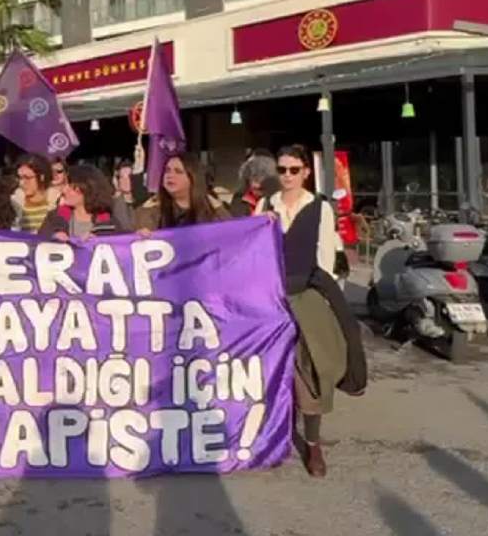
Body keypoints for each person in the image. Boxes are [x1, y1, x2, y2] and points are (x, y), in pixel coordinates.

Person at [255, 145, 365, 478]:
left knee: (313, 367)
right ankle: (275, 433)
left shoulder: (320, 207)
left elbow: (325, 259)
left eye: (293, 170)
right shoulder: (265, 205)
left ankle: (313, 443)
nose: (287, 176)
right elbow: (253, 252)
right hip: (271, 295)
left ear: (305, 172)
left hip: (306, 293)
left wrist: (326, 301)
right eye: (282, 169)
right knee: (272, 368)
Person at [135, 153, 229, 232]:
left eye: (178, 171)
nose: (170, 176)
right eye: (167, 171)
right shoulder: (150, 211)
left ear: (193, 178)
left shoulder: (213, 210)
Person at [39, 164, 133, 240]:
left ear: (87, 189)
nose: (64, 190)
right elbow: (38, 244)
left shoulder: (109, 223)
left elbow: (123, 246)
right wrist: (53, 239)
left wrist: (139, 237)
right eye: (65, 185)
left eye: (71, 187)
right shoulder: (54, 219)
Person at [11, 154, 57, 233]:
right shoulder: (14, 203)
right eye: (20, 178)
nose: (22, 183)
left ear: (42, 176)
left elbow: (65, 224)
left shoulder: (59, 201)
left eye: (27, 178)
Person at [230, 150, 279, 217]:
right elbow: (237, 221)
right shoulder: (239, 198)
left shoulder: (279, 198)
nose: (257, 185)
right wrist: (257, 219)